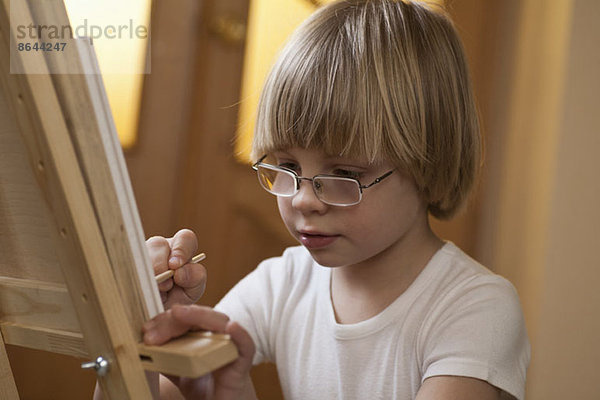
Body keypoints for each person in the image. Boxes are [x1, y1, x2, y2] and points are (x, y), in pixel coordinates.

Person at [142, 1, 530, 399]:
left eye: (344, 174)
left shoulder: (475, 309)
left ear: (429, 162)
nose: (304, 199)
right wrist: (139, 328)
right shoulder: (284, 285)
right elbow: (166, 390)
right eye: (287, 164)